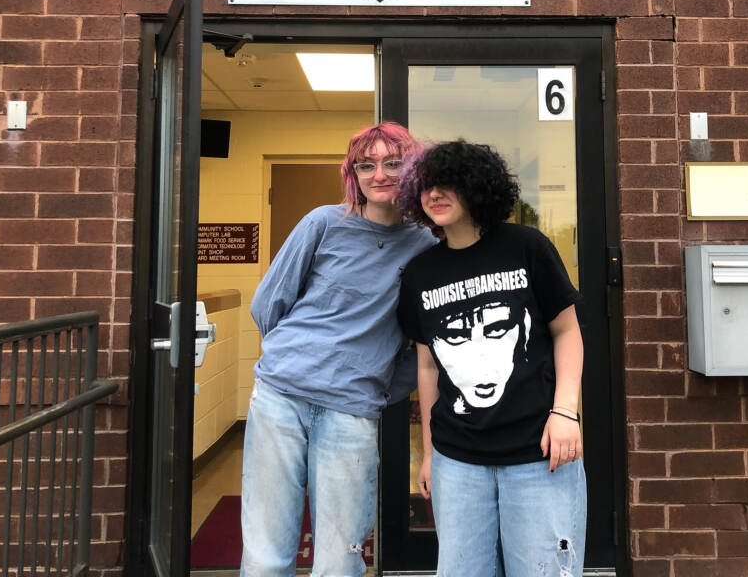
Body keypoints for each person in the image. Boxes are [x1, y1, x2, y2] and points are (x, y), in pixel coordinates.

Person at [240, 122, 436, 577]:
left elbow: (430, 345)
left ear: (413, 169)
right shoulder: (323, 223)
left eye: (394, 162)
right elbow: (268, 304)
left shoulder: (425, 246)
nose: (379, 174)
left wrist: (379, 385)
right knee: (267, 551)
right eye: (366, 165)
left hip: (351, 409)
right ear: (353, 174)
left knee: (342, 556)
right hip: (279, 398)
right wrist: (295, 359)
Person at [396, 140, 586, 577]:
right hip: (457, 460)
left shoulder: (526, 247)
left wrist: (566, 411)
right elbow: (427, 367)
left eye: (448, 183)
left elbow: (568, 331)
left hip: (539, 453)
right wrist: (428, 453)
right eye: (425, 187)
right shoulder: (421, 272)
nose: (434, 194)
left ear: (477, 186)